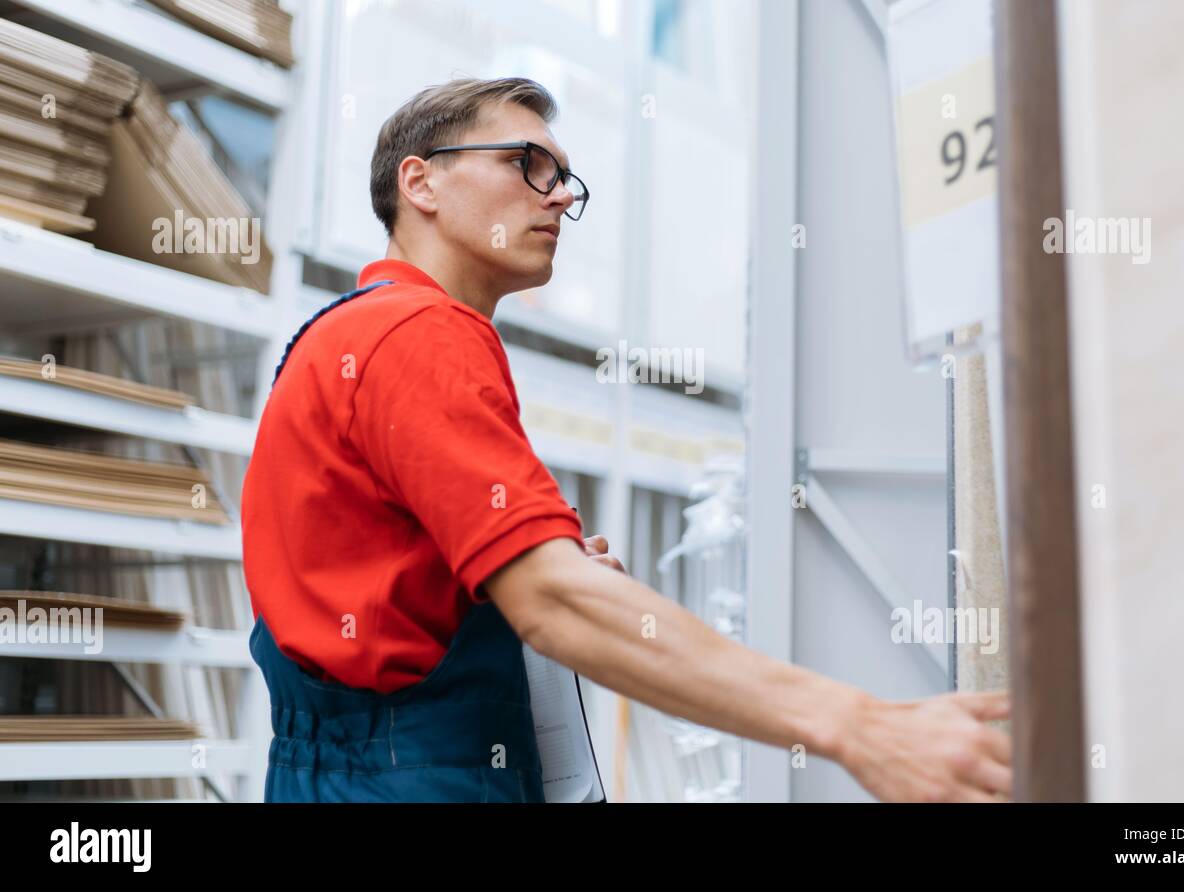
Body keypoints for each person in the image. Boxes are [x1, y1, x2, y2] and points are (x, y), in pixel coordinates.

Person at [241, 76, 1012, 803]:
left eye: (566, 179)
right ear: (421, 183)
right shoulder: (416, 335)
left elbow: (377, 589)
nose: (560, 194)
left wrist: (510, 593)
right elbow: (554, 603)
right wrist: (859, 725)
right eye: (526, 164)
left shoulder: (354, 333)